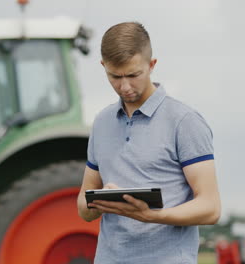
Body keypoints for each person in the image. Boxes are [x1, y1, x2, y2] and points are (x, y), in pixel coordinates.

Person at [77, 22, 221, 263]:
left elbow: (211, 207)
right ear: (103, 66)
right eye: (114, 76)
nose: (124, 86)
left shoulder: (184, 121)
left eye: (133, 75)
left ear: (152, 65)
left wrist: (151, 215)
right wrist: (102, 200)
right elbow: (83, 208)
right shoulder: (101, 123)